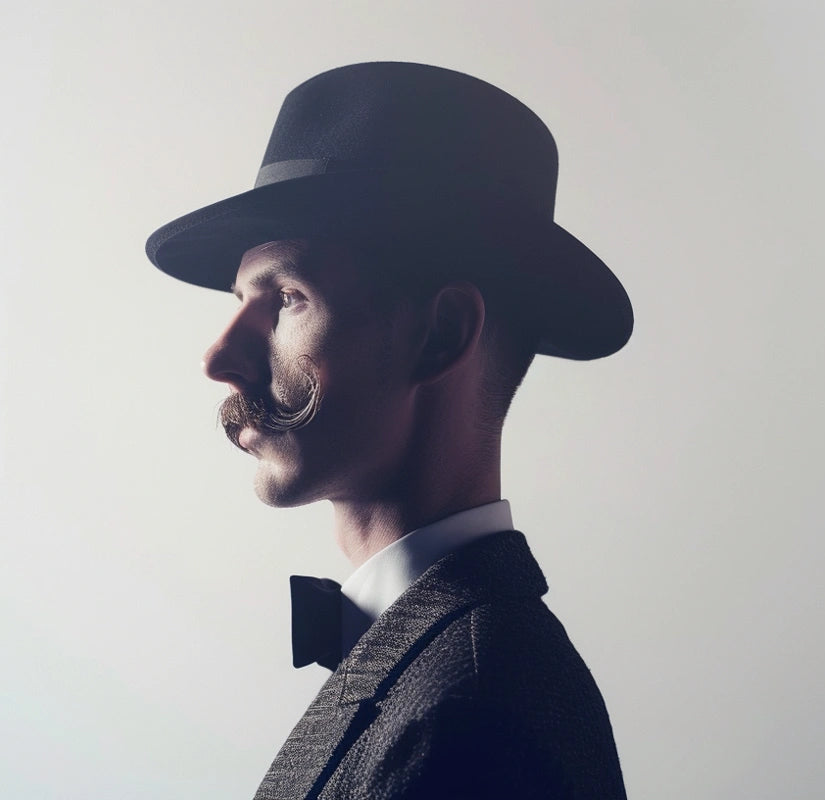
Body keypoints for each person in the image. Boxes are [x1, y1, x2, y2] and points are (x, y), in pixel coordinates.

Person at [145, 62, 630, 799]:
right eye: (241, 300)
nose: (220, 357)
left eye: (287, 299)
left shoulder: (475, 706)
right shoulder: (442, 656)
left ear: (440, 335)